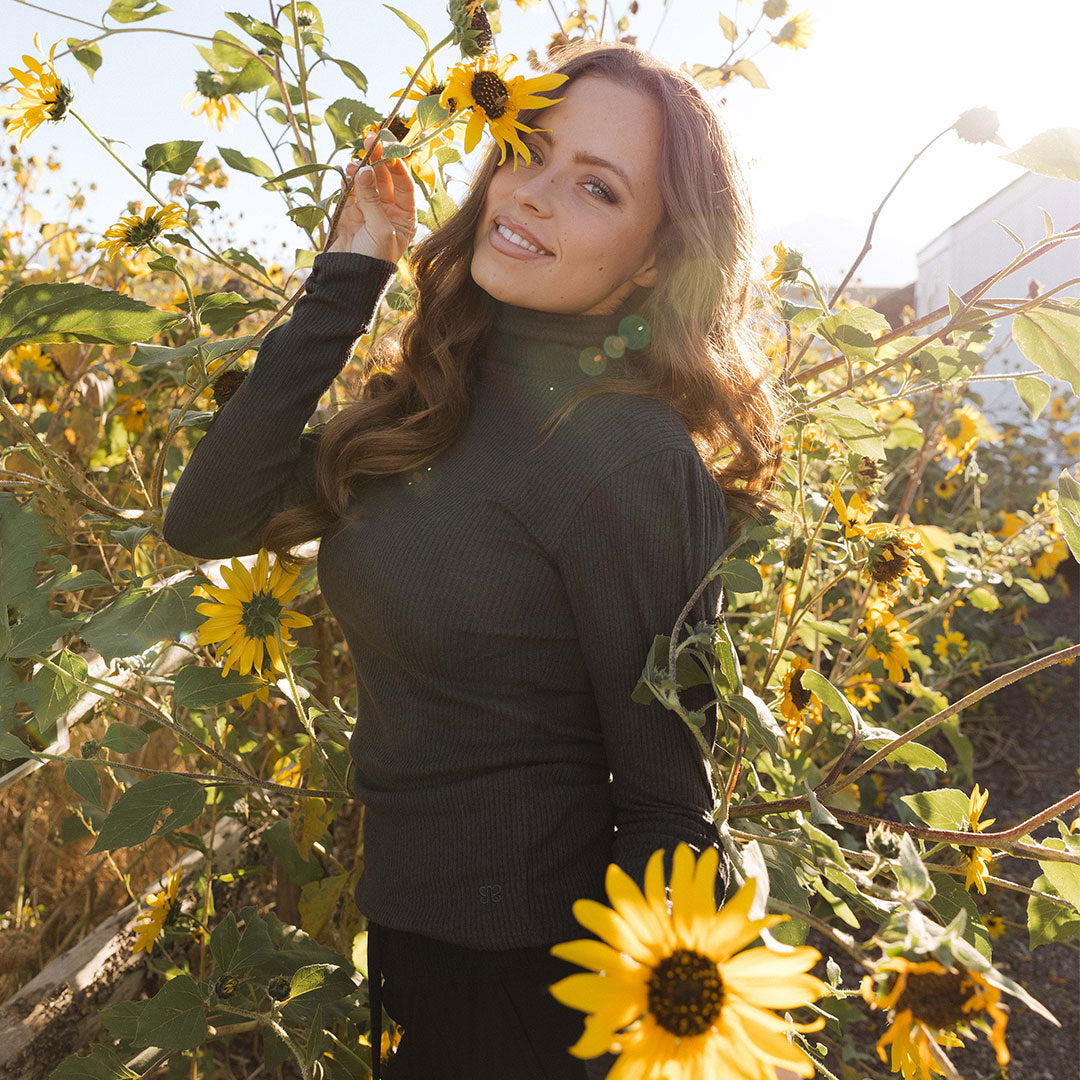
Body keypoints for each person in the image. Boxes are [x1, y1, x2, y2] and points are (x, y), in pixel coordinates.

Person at [162, 39, 782, 1080]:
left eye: (596, 186)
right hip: (421, 950)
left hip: (544, 994)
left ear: (654, 260)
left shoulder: (627, 456)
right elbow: (208, 518)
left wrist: (644, 1048)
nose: (532, 193)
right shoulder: (443, 396)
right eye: (529, 152)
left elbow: (670, 802)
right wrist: (352, 274)